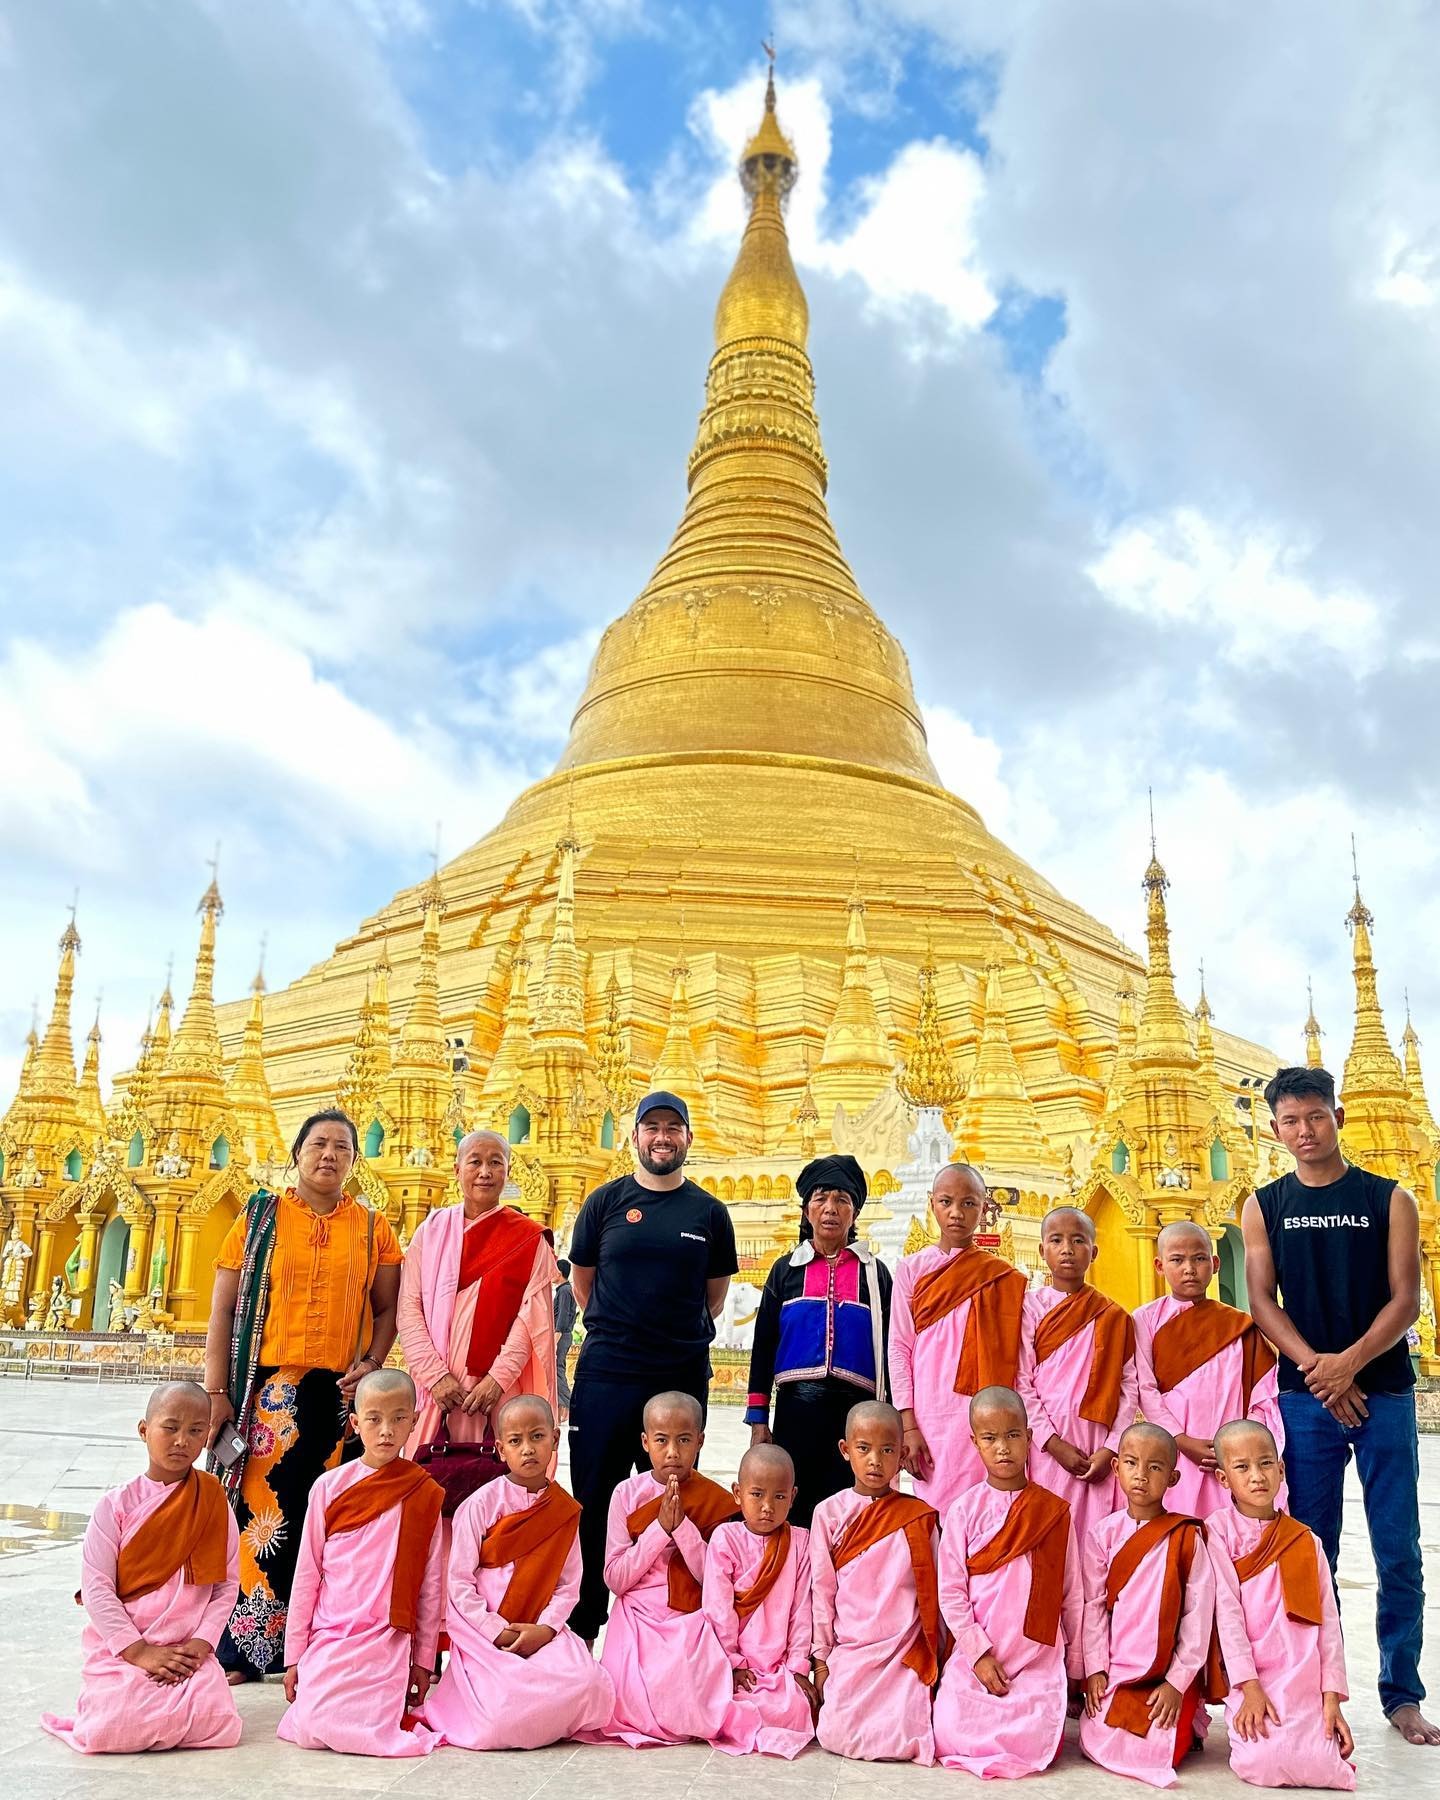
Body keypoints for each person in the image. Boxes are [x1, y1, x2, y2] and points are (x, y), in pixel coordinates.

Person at [1243, 1064, 1435, 1748]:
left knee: (1397, 1549)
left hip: (1380, 1393)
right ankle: (1311, 1692)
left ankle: (1401, 1693)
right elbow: (1262, 1301)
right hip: (1304, 1401)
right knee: (1309, 1551)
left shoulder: (1390, 1198)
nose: (1304, 1131)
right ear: (1275, 1130)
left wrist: (1346, 1365)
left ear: (1339, 1117)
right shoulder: (1264, 1204)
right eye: (1290, 1121)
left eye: (1315, 1116)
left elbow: (1405, 1298)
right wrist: (1317, 1371)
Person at [204, 1108, 402, 1682]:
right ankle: (249, 1649)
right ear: (297, 1153)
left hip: (341, 1396)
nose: (329, 1155)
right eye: (319, 1144)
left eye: (342, 1147)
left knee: (329, 1518)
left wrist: (371, 1364)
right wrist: (217, 1390)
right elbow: (222, 1308)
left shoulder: (371, 1227)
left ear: (353, 1161)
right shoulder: (259, 1218)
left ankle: (317, 1642)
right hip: (272, 1391)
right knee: (263, 1516)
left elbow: (388, 1308)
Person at [565, 1090, 738, 1641]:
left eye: (673, 1128)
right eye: (651, 1128)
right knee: (596, 1498)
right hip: (609, 1371)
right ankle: (586, 1621)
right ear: (635, 1137)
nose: (662, 1137)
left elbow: (715, 1295)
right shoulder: (604, 1202)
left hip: (679, 1373)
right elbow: (582, 1283)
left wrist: (668, 1333)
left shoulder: (709, 1212)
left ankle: (671, 1628)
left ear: (687, 1137)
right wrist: (622, 1328)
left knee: (676, 1493)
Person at [40, 1381, 241, 1754]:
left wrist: (201, 1642)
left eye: (196, 1430)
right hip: (126, 1651)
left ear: (207, 1437)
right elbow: (98, 1589)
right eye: (171, 1427)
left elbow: (227, 1583)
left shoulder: (213, 1500)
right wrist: (139, 1652)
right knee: (109, 1729)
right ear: (144, 1430)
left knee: (220, 1723)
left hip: (185, 1650)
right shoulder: (114, 1506)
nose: (182, 1440)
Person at [421, 1395, 614, 1750]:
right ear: (500, 1448)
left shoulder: (564, 1510)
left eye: (537, 1437)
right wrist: (495, 1630)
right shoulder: (478, 1505)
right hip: (488, 1635)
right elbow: (460, 1583)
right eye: (516, 1441)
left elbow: (569, 1585)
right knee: (499, 1713)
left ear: (555, 1440)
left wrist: (545, 1629)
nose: (528, 1449)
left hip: (542, 1629)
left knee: (589, 1683)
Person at [277, 1369, 444, 1757]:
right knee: (314, 1725)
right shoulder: (329, 1488)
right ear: (355, 1423)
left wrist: (422, 1659)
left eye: (399, 1418)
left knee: (370, 1728)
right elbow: (307, 1574)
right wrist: (295, 1658)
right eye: (374, 1419)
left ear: (415, 1421)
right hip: (331, 1634)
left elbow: (431, 1584)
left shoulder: (424, 1492)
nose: (387, 1430)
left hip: (387, 1639)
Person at [933, 1385, 1083, 1779]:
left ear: (1029, 1437)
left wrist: (1076, 1667)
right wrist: (978, 1654)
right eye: (990, 1438)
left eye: (1013, 1436)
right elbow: (950, 1593)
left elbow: (1071, 1594)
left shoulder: (1052, 1512)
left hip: (1036, 1658)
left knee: (1034, 1736)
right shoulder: (963, 1510)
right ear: (974, 1443)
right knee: (950, 1725)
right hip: (979, 1654)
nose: (1003, 1448)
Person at [1206, 1419, 1355, 1790]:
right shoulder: (1217, 1532)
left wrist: (1332, 1698)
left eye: (1266, 1463)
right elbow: (1226, 1614)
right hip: (1253, 1674)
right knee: (1260, 1762)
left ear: (1282, 1468)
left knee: (1321, 1765)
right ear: (1224, 1479)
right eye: (1242, 1467)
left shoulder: (1306, 1540)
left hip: (1303, 1676)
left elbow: (1329, 1625)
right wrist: (1249, 1686)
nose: (1257, 1476)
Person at [745, 1153, 892, 1526]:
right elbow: (763, 1346)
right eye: (821, 1199)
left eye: (842, 1200)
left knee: (850, 1511)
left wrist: (897, 1419)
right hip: (796, 1412)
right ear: (806, 1210)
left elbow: (893, 1349)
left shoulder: (875, 1275)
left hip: (856, 1413)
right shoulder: (785, 1271)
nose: (831, 1209)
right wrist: (759, 1420)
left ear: (855, 1213)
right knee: (795, 1509)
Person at [398, 1129, 558, 1460]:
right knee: (429, 1487)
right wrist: (435, 1376)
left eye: (495, 1163)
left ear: (508, 1171)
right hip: (436, 1392)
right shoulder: (429, 1233)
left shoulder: (529, 1240)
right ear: (457, 1170)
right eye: (475, 1162)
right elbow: (409, 1310)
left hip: (497, 1391)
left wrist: (497, 1379)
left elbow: (532, 1323)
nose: (485, 1172)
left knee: (496, 1489)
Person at [590, 1390, 737, 1747]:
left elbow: (712, 1581)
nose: (673, 1451)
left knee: (688, 1679)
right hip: (637, 1613)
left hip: (689, 1614)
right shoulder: (626, 1494)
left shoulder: (716, 1501)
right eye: (661, 1440)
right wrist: (659, 1530)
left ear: (700, 1441)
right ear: (645, 1442)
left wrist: (683, 1529)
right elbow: (616, 1579)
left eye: (684, 1440)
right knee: (631, 1698)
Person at [1080, 1422, 1219, 1789]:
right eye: (1131, 1463)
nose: (1141, 1475)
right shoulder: (1102, 1534)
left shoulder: (1187, 1536)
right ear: (1116, 1468)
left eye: (1155, 1467)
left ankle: (1189, 1715)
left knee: (1158, 1744)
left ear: (1172, 1478)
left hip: (1167, 1671)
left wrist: (1176, 1682)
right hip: (1118, 1669)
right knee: (1097, 1738)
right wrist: (1095, 1669)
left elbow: (1198, 1617)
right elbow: (1093, 1607)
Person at [890, 1162, 1027, 1513]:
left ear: (984, 1208)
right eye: (946, 1202)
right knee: (935, 1510)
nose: (956, 1213)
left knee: (985, 1507)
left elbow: (1019, 1350)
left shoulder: (1001, 1277)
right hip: (930, 1410)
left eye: (969, 1203)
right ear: (931, 1202)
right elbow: (899, 1347)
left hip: (985, 1408)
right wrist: (908, 1424)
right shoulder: (912, 1269)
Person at [809, 1399, 940, 1765]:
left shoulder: (920, 1517)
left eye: (887, 1450)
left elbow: (933, 1597)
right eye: (864, 1449)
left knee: (905, 1731)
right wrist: (821, 1661)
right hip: (852, 1647)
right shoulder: (829, 1513)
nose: (875, 1461)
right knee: (835, 1731)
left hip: (902, 1647)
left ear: (902, 1455)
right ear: (845, 1450)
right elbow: (822, 1592)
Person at [1133, 1220, 1283, 1519]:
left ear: (1215, 1264)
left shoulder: (1239, 1325)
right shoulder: (1144, 1320)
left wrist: (1239, 1443)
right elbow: (1144, 1388)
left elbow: (1263, 1392)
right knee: (1181, 1529)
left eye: (1199, 1258)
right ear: (1160, 1265)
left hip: (1232, 1452)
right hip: (1175, 1448)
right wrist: (1179, 1439)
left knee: (1231, 1529)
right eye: (1177, 1260)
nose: (1189, 1268)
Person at [1017, 1205, 1138, 1547]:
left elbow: (1129, 1388)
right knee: (1048, 1539)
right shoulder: (1029, 1308)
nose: (1067, 1249)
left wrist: (1112, 1448)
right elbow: (1020, 1380)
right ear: (1042, 1251)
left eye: (1078, 1240)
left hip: (1097, 1447)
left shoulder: (1113, 1316)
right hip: (1044, 1448)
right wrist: (1051, 1443)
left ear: (1093, 1252)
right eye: (1056, 1240)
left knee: (1095, 1541)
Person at [701, 1442, 816, 1759]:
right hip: (734, 1663)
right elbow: (717, 1611)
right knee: (721, 1701)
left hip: (779, 1667)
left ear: (793, 1497)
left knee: (795, 1705)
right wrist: (733, 1664)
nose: (768, 1506)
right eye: (757, 1494)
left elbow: (801, 1611)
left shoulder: (800, 1542)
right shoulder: (726, 1538)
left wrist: (796, 1668)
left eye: (779, 1497)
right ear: (737, 1493)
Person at [553, 1258, 578, 1424]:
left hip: (561, 1335)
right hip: (565, 1334)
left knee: (558, 1369)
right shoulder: (567, 1289)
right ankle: (564, 1409)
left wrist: (555, 1337)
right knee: (558, 1369)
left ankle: (569, 1405)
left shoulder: (564, 1291)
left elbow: (562, 1317)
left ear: (560, 1272)